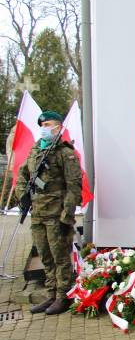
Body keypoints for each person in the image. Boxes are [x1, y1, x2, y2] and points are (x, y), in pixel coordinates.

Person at [16, 111, 82, 315]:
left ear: (58, 127)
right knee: (45, 256)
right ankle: (51, 293)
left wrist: (67, 215)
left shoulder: (65, 153)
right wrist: (22, 196)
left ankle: (63, 296)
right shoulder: (36, 149)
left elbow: (74, 186)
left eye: (48, 124)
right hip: (38, 214)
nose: (44, 127)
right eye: (42, 124)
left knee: (60, 257)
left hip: (57, 215)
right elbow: (22, 175)